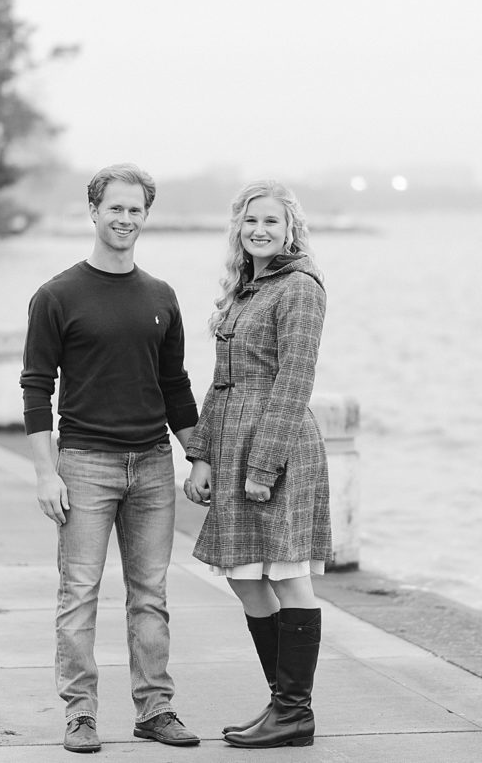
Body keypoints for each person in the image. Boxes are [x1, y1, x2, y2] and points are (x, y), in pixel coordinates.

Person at [20, 163, 201, 752]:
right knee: (79, 595)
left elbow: (175, 385)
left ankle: (155, 709)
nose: (125, 219)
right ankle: (80, 714)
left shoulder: (161, 297)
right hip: (84, 465)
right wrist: (46, 472)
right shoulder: (56, 295)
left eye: (135, 210)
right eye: (115, 208)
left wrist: (196, 456)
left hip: (152, 465)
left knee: (151, 596)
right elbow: (35, 388)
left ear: (146, 216)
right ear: (94, 211)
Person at [184, 180, 330, 749]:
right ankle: (282, 704)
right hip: (231, 443)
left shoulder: (300, 288)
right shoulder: (245, 290)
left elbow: (294, 383)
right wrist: (200, 456)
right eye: (250, 221)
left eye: (271, 221)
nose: (259, 230)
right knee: (246, 580)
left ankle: (295, 713)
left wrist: (263, 467)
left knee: (289, 574)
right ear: (238, 229)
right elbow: (221, 384)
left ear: (291, 228)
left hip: (280, 447)